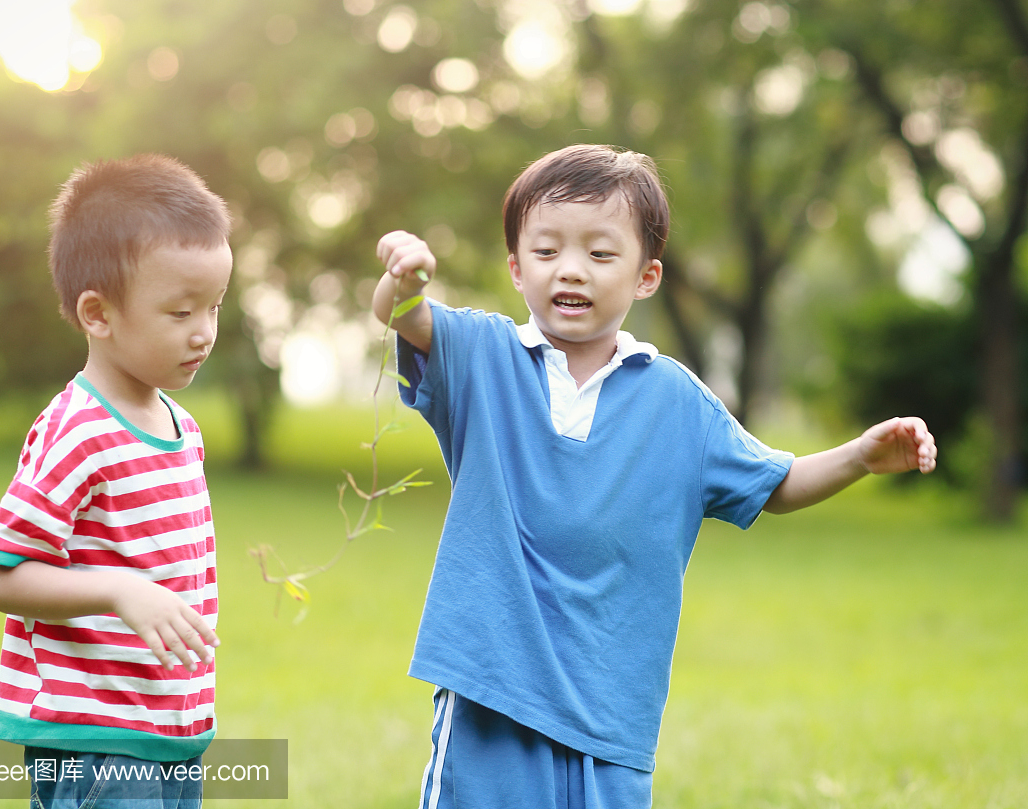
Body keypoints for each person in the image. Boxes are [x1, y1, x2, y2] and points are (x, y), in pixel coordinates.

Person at [372, 143, 937, 809]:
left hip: (613, 713)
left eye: (600, 253)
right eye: (547, 251)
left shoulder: (678, 402)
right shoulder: (482, 355)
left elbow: (774, 483)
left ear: (647, 276)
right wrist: (402, 281)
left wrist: (860, 457)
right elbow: (402, 317)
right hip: (492, 694)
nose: (570, 270)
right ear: (516, 269)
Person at [0, 154, 234, 808]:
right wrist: (121, 589)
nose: (204, 331)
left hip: (169, 732)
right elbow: (2, 575)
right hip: (95, 740)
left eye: (215, 306)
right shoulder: (77, 431)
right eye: (181, 312)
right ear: (98, 313)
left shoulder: (181, 425)